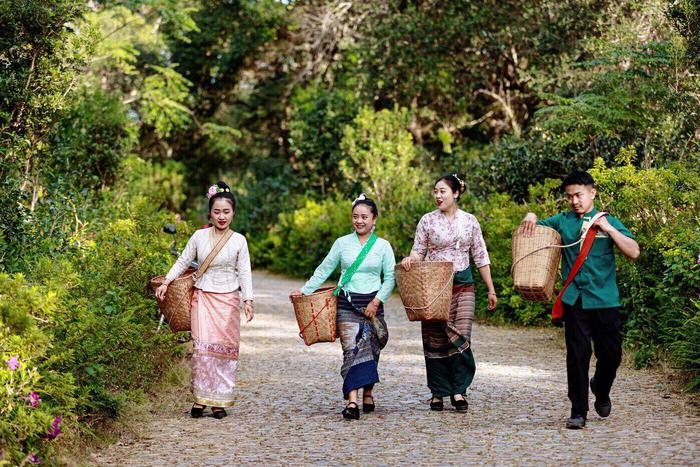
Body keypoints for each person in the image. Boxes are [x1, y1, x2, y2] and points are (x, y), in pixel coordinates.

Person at [520, 170, 640, 429]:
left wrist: (608, 228)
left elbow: (634, 252)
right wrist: (531, 216)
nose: (574, 201)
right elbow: (536, 229)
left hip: (605, 299)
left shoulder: (608, 221)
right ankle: (578, 410)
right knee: (577, 356)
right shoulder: (562, 221)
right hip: (575, 299)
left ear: (592, 193)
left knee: (612, 355)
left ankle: (601, 386)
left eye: (579, 195)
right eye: (569, 196)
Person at [291, 194, 396, 420]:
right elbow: (324, 269)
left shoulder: (383, 246)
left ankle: (368, 391)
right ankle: (352, 402)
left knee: (372, 348)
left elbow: (390, 278)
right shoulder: (341, 243)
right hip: (347, 302)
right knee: (351, 350)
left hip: (373, 303)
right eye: (355, 217)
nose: (359, 221)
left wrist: (376, 302)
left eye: (364, 217)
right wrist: (305, 291)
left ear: (374, 219)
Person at [156, 181, 254, 419]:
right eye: (217, 212)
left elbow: (244, 271)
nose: (221, 216)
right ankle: (201, 398)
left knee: (224, 351)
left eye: (226, 212)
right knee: (202, 350)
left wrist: (248, 300)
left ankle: (219, 400)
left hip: (229, 300)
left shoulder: (239, 240)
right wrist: (167, 281)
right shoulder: (199, 236)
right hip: (203, 297)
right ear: (210, 213)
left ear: (233, 213)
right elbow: (182, 261)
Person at [401, 174, 497, 413]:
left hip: (464, 283)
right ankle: (437, 392)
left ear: (455, 193)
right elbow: (418, 251)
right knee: (435, 340)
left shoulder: (470, 221)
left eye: (442, 191)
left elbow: (481, 255)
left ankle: (458, 391)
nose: (437, 196)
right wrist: (409, 260)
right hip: (433, 287)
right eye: (435, 191)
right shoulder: (427, 221)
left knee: (461, 335)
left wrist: (491, 289)